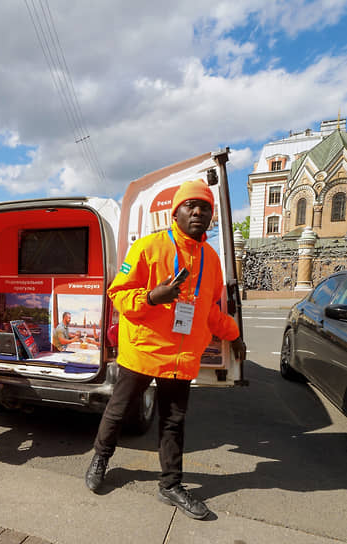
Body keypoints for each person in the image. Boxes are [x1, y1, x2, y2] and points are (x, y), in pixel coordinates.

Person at [84, 179, 247, 520]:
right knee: (118, 411)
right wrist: (150, 297)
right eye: (191, 206)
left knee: (173, 423)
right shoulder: (147, 247)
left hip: (181, 358)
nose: (198, 212)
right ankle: (100, 457)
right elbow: (118, 294)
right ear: (177, 212)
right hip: (143, 351)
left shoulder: (212, 259)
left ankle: (170, 485)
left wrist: (233, 335)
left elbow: (210, 310)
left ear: (210, 216)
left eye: (205, 208)